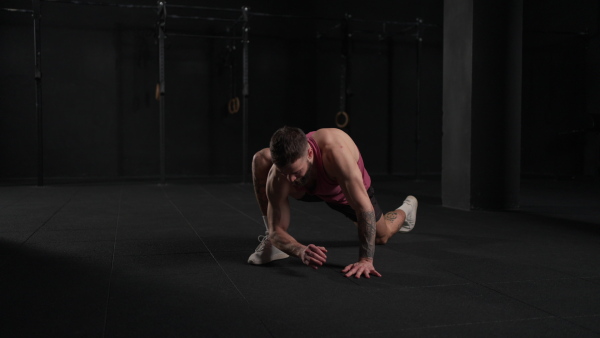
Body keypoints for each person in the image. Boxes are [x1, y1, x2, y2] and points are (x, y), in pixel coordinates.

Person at [247, 126, 418, 279]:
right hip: (308, 188)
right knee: (261, 159)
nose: (290, 179)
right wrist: (300, 250)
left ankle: (406, 209)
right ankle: (273, 246)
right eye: (285, 173)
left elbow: (364, 209)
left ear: (309, 154)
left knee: (381, 236)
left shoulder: (336, 153)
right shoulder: (281, 175)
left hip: (342, 193)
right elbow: (276, 230)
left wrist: (365, 260)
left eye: (295, 172)